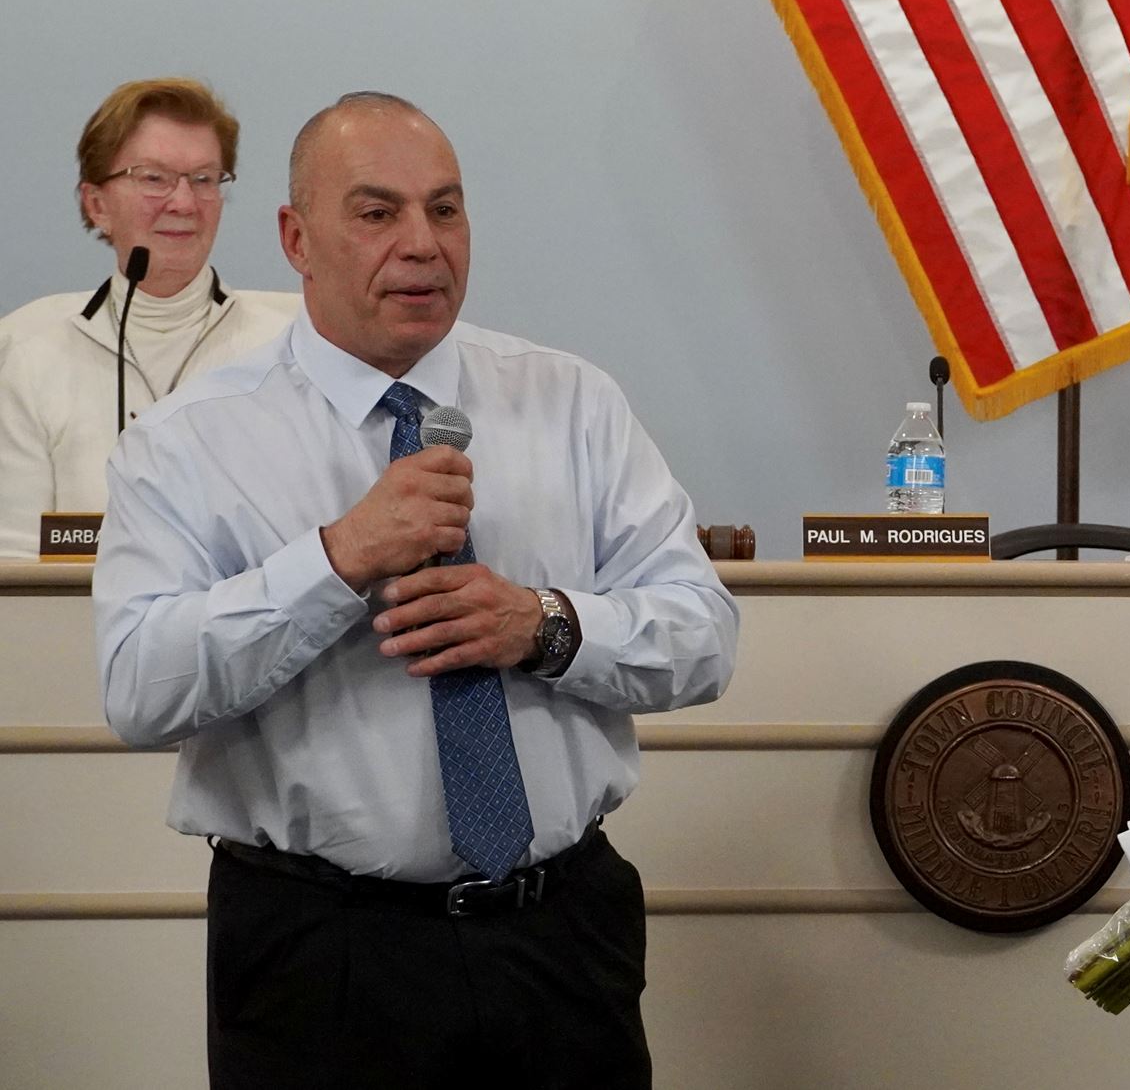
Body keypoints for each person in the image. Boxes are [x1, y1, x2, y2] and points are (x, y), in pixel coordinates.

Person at [92, 91, 738, 1090]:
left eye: (446, 208)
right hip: (320, 954)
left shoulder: (570, 402)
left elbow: (704, 635)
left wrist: (546, 626)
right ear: (295, 237)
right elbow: (139, 689)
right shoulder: (188, 441)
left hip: (559, 936)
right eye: (378, 211)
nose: (423, 244)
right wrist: (339, 556)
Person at [0, 78, 298, 556]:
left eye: (203, 179)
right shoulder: (28, 348)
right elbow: (17, 568)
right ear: (96, 204)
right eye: (154, 178)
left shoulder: (287, 345)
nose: (183, 202)